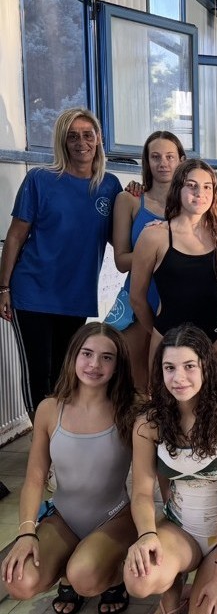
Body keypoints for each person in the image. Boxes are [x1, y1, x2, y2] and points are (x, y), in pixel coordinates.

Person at [124, 324, 217, 614]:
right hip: (180, 529)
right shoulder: (149, 422)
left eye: (189, 366)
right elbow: (141, 493)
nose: (178, 377)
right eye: (169, 368)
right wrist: (147, 535)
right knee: (139, 579)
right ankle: (173, 592)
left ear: (207, 367)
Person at [1, 322, 136, 614]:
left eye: (106, 357)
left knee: (85, 578)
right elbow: (35, 478)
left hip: (114, 516)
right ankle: (69, 567)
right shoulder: (50, 409)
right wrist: (26, 532)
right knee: (19, 580)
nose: (94, 364)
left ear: (118, 365)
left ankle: (113, 575)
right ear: (73, 356)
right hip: (64, 517)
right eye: (87, 354)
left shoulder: (132, 409)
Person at [0, 108, 123, 415]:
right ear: (62, 142)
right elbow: (15, 236)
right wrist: (3, 288)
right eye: (72, 137)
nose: (81, 143)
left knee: (66, 375)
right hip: (33, 292)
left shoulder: (109, 186)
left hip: (75, 296)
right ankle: (45, 439)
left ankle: (61, 437)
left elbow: (120, 240)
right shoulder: (39, 180)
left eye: (87, 135)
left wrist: (137, 199)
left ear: (98, 139)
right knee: (39, 375)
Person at [130, 159, 217, 375]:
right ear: (177, 189)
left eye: (207, 187)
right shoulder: (154, 237)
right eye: (192, 185)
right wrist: (159, 330)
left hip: (215, 337)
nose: (200, 193)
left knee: (215, 397)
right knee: (165, 398)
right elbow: (137, 298)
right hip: (166, 337)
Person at [112, 131, 186, 390]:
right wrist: (157, 252)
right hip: (138, 300)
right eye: (156, 157)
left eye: (169, 157)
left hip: (177, 303)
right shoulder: (130, 200)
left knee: (173, 386)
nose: (163, 163)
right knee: (133, 386)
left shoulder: (193, 204)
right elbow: (121, 261)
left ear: (181, 160)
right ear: (147, 161)